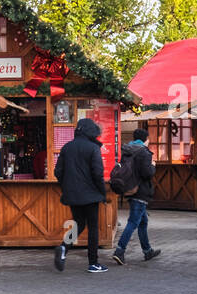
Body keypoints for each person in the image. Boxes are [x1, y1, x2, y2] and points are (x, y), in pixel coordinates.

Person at [54, 117, 109, 273]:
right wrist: (102, 193)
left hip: (72, 194)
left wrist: (66, 186)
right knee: (93, 228)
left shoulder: (66, 147)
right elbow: (98, 173)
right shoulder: (93, 148)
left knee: (79, 223)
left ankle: (64, 247)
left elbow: (58, 171)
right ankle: (93, 263)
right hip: (91, 194)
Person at [113, 127, 161, 265]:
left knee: (142, 221)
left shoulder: (128, 150)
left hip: (129, 188)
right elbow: (147, 173)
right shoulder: (144, 153)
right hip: (141, 191)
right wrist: (153, 165)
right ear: (146, 139)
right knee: (133, 222)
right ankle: (119, 251)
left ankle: (147, 251)